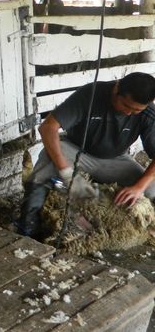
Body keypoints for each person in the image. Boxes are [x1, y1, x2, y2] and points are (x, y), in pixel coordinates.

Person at [16, 72, 155, 240]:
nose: (129, 113)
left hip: (116, 159)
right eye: (126, 105)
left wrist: (139, 187)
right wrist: (66, 172)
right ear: (117, 88)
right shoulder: (91, 94)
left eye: (136, 111)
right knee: (48, 160)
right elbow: (48, 127)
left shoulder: (148, 113)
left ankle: (126, 228)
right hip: (77, 151)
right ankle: (29, 223)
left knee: (151, 188)